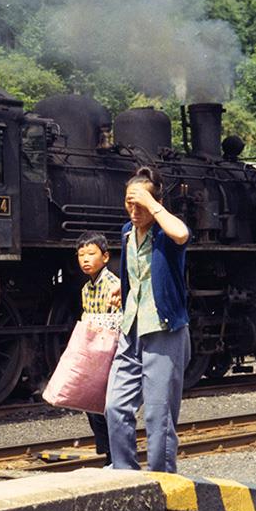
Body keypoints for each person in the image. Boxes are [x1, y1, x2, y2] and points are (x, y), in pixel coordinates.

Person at [105, 166, 190, 473]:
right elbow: (136, 273)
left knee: (158, 414)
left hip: (163, 329)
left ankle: (161, 479)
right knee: (114, 406)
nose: (134, 210)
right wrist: (123, 289)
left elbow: (181, 233)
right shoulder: (126, 233)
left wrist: (152, 204)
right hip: (131, 328)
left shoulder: (165, 233)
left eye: (139, 203)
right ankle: (125, 472)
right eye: (129, 203)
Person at [75, 231, 121, 463]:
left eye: (91, 254)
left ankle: (114, 456)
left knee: (106, 406)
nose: (85, 259)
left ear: (105, 257)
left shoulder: (114, 285)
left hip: (109, 351)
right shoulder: (86, 289)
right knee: (93, 406)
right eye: (81, 254)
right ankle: (109, 454)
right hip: (94, 352)